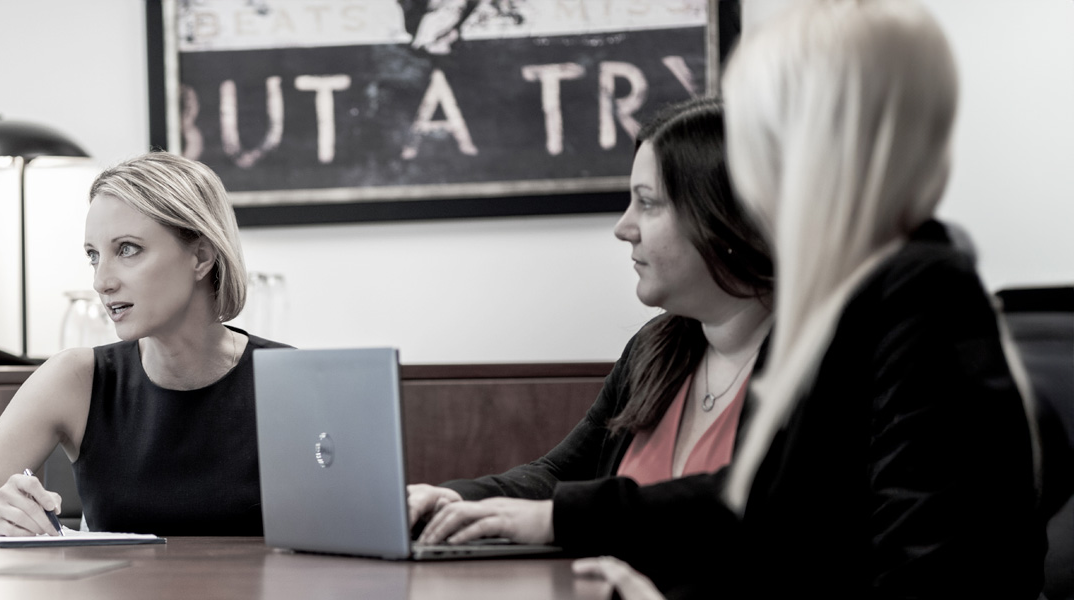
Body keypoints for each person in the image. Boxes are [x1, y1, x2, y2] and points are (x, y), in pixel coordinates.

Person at [417, 2, 1044, 597]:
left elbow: (865, 550)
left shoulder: (911, 292)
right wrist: (466, 502)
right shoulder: (857, 299)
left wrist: (563, 520)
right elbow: (769, 510)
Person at [404, 97, 773, 539]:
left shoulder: (821, 361)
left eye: (648, 203)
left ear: (724, 215)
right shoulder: (655, 347)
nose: (623, 227)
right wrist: (458, 500)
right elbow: (560, 477)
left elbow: (752, 505)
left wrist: (560, 518)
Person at [0, 152, 292, 537]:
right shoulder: (76, 378)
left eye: (127, 249)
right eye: (94, 256)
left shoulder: (289, 380)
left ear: (201, 256)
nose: (102, 281)